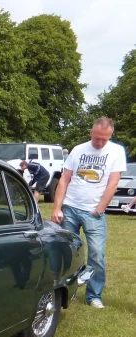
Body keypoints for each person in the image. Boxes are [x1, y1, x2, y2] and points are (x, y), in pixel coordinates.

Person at [51, 117, 127, 308]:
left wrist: (100, 208)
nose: (100, 143)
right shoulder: (78, 149)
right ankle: (68, 291)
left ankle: (94, 295)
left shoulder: (117, 151)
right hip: (70, 207)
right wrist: (57, 207)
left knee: (96, 253)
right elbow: (64, 179)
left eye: (105, 139)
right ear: (91, 133)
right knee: (67, 252)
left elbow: (113, 182)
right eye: (97, 138)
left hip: (93, 212)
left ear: (110, 135)